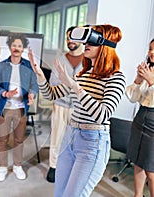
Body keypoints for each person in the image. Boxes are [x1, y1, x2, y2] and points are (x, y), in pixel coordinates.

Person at [29, 24, 126, 196]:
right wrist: (39, 75)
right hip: (70, 136)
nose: (86, 44)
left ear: (105, 45)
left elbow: (102, 114)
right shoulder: (83, 74)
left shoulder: (116, 77)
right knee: (59, 193)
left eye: (92, 41)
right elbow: (52, 94)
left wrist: (75, 86)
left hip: (92, 143)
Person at [0, 32, 39, 182]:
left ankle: (17, 165)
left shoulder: (28, 66)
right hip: (5, 108)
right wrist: (5, 93)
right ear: (10, 47)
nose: (16, 48)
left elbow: (34, 85)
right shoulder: (2, 65)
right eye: (14, 45)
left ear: (23, 48)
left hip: (21, 109)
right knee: (2, 140)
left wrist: (32, 94)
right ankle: (3, 167)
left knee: (19, 140)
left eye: (19, 45)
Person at [46, 26, 83, 183]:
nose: (69, 41)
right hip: (60, 105)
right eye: (67, 38)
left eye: (72, 38)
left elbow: (88, 85)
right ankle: (53, 167)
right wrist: (74, 85)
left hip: (79, 107)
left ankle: (73, 168)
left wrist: (69, 83)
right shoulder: (60, 60)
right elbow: (53, 82)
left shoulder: (88, 61)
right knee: (57, 136)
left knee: (76, 139)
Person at [125, 38, 154, 197]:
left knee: (151, 168)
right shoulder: (148, 69)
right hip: (141, 116)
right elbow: (132, 97)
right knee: (138, 161)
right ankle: (137, 195)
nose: (152, 52)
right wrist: (138, 79)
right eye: (150, 49)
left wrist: (151, 82)